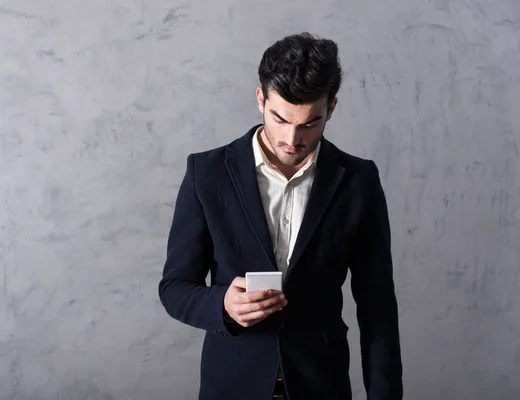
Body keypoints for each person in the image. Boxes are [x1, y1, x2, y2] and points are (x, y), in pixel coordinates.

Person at [158, 32, 403, 400]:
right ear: (261, 99)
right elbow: (174, 288)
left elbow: (377, 306)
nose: (293, 138)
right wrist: (221, 304)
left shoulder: (358, 181)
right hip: (231, 383)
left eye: (310, 123)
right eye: (281, 118)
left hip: (321, 384)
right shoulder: (206, 174)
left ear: (331, 108)